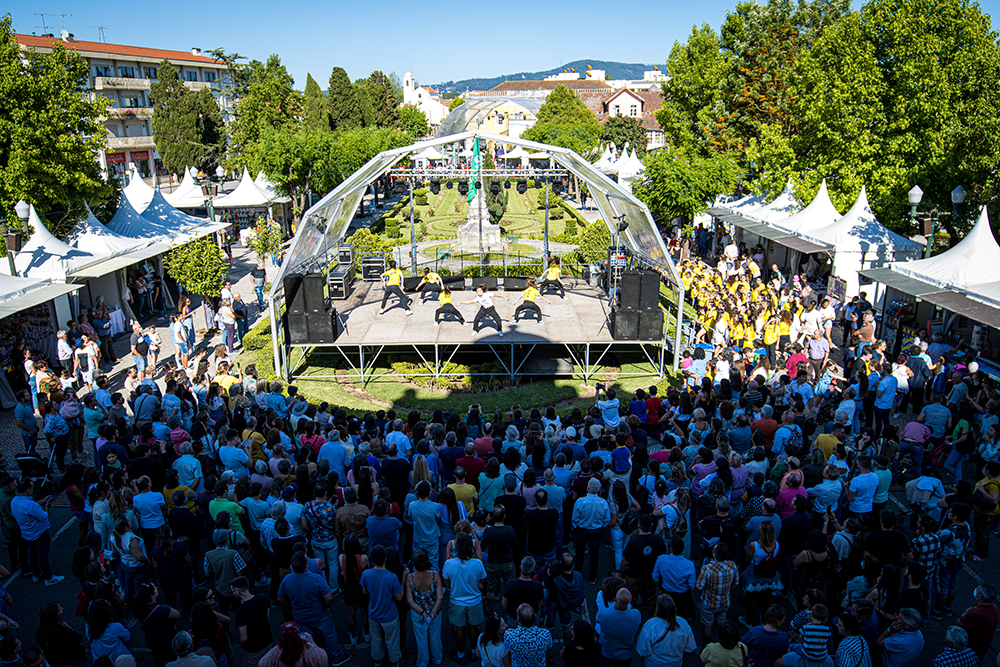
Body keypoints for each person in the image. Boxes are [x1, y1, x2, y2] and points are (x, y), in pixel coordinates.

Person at [277, 551, 352, 666]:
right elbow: (329, 597)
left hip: (300, 617)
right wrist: (327, 607)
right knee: (329, 635)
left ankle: (311, 660)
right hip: (319, 615)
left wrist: (291, 606)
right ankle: (337, 657)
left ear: (292, 566)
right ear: (306, 565)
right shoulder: (316, 579)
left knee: (306, 641)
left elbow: (281, 598)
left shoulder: (286, 580)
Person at [442, 533, 486, 666]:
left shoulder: (449, 564)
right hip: (474, 601)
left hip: (456, 601)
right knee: (474, 628)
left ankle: (460, 654)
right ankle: (474, 652)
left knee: (459, 629)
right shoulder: (477, 564)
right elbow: (482, 579)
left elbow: (446, 583)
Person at [11, 479, 64, 585]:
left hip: (27, 533)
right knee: (43, 556)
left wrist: (41, 501)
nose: (33, 489)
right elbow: (43, 516)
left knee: (32, 553)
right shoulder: (31, 505)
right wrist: (46, 506)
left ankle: (36, 574)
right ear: (27, 490)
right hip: (39, 533)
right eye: (31, 488)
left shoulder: (15, 501)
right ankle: (48, 578)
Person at [360, 545, 404, 667]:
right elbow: (399, 597)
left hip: (374, 613)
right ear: (385, 558)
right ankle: (395, 661)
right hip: (390, 615)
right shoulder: (391, 577)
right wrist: (404, 579)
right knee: (392, 641)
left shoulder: (366, 574)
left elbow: (364, 592)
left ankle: (377, 659)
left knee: (376, 639)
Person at [405, 550, 444, 667]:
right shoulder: (434, 575)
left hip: (418, 613)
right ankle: (437, 658)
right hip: (434, 611)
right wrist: (431, 613)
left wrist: (423, 613)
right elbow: (440, 597)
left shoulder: (410, 578)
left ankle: (422, 661)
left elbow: (410, 600)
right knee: (435, 635)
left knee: (420, 637)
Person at [636, 594, 697, 667]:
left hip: (654, 663)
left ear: (657, 608)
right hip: (675, 664)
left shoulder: (650, 625)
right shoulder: (683, 624)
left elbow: (642, 650)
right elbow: (690, 647)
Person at [696, 542, 739, 645]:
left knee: (707, 627)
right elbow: (735, 583)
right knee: (722, 625)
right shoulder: (732, 566)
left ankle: (705, 648)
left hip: (708, 603)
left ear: (714, 555)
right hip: (724, 602)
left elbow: (698, 587)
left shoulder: (707, 569)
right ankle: (721, 645)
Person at [232, 575, 274, 667]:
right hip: (267, 640)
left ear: (238, 592)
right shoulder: (262, 597)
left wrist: (241, 644)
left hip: (253, 648)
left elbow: (244, 637)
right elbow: (266, 617)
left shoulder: (240, 611)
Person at [596, 587, 641, 667]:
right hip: (625, 655)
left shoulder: (604, 614)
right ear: (630, 601)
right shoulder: (636, 615)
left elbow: (598, 620)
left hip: (606, 652)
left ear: (615, 599)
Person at [957, 583, 999, 663]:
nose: (975, 590)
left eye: (978, 590)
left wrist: (966, 612)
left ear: (981, 596)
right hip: (981, 649)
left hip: (970, 649)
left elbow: (959, 622)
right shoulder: (993, 608)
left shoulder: (976, 613)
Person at [259, 622, 330, 667]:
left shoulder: (276, 651)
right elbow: (323, 659)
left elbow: (262, 664)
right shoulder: (308, 649)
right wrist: (312, 642)